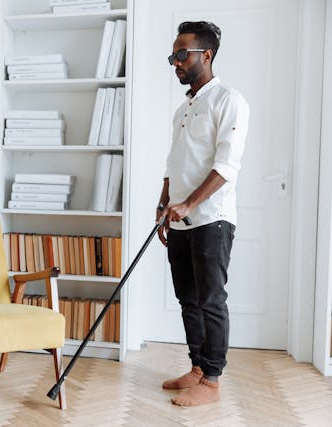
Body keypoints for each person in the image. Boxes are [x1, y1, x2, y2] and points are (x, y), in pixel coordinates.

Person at [156, 21, 249, 407]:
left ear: (205, 55)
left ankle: (211, 381)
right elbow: (173, 164)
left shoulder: (229, 100)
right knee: (187, 298)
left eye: (182, 54)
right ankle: (196, 368)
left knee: (211, 300)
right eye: (173, 55)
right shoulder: (183, 108)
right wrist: (163, 204)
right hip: (179, 220)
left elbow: (227, 166)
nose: (175, 62)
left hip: (211, 219)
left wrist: (189, 204)